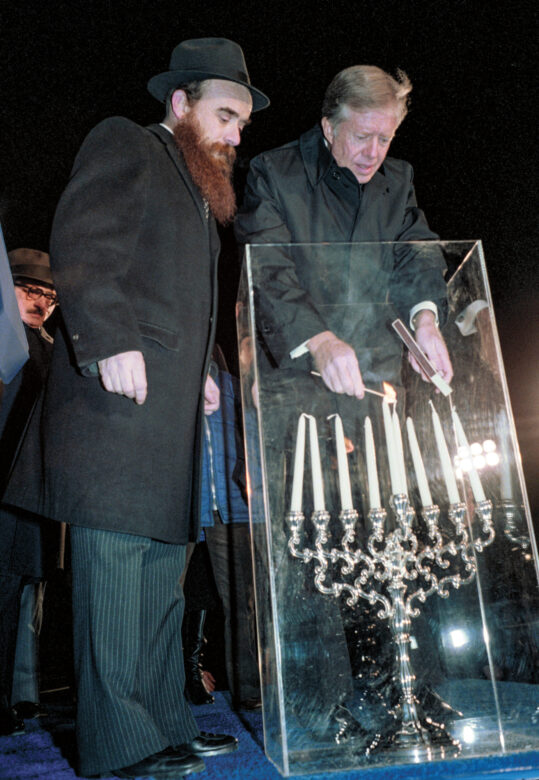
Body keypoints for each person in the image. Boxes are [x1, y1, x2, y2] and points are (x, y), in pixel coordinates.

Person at [3, 38, 269, 779]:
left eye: (242, 124)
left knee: (159, 573)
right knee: (119, 568)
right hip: (114, 407)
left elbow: (176, 302)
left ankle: (162, 725)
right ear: (180, 103)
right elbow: (84, 241)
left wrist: (204, 371)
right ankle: (121, 746)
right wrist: (109, 339)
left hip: (166, 412)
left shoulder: (195, 186)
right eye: (225, 115)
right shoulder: (127, 141)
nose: (235, 135)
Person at [234, 65, 454, 746]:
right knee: (312, 547)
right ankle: (317, 701)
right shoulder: (272, 172)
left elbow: (415, 255)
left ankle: (401, 685)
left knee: (390, 537)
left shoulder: (397, 180)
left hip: (376, 387)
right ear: (328, 125)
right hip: (300, 386)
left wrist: (425, 321)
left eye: (385, 139)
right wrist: (320, 339)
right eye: (361, 137)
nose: (372, 153)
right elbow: (267, 269)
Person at [0, 248, 58, 736]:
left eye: (50, 296)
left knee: (22, 594)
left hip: (32, 497)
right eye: (30, 290)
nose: (41, 301)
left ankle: (18, 695)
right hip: (4, 489)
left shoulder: (52, 351)